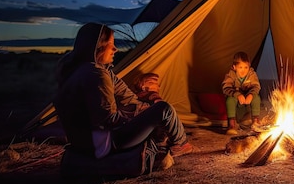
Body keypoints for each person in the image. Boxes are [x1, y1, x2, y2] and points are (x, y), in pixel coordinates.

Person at [54, 23, 193, 173]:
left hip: (85, 142)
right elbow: (108, 120)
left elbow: (128, 98)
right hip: (103, 142)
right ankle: (180, 145)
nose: (115, 49)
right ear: (98, 47)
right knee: (163, 109)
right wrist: (139, 116)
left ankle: (160, 149)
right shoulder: (95, 74)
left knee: (153, 111)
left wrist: (144, 108)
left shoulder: (86, 69)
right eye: (111, 45)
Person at [222, 51, 262, 135]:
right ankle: (232, 124)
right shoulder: (230, 75)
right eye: (240, 67)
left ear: (249, 66)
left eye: (246, 67)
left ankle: (256, 122)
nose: (243, 70)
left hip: (247, 105)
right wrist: (237, 95)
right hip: (236, 106)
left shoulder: (252, 74)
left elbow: (256, 86)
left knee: (256, 98)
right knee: (230, 99)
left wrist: (251, 95)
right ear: (234, 67)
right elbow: (226, 88)